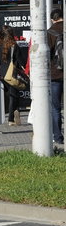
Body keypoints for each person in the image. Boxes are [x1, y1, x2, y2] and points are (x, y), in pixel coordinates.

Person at [0, 26, 22, 126]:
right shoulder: (14, 46)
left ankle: (15, 112)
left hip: (2, 74)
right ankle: (11, 118)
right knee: (13, 95)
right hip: (12, 74)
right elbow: (21, 61)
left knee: (10, 95)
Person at [48, 8, 64, 146]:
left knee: (55, 107)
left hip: (55, 74)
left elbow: (46, 55)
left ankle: (58, 137)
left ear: (53, 19)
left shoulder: (50, 32)